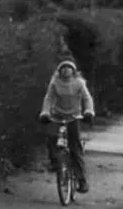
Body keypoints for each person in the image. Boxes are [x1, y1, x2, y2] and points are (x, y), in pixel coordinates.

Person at [38, 58, 95, 193]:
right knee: (51, 139)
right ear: (59, 71)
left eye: (69, 68)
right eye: (63, 68)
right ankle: (55, 164)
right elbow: (49, 98)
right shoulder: (55, 83)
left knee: (75, 147)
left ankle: (82, 180)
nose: (66, 70)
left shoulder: (79, 83)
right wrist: (45, 113)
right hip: (57, 116)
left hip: (74, 117)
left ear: (73, 71)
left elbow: (87, 99)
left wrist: (88, 112)